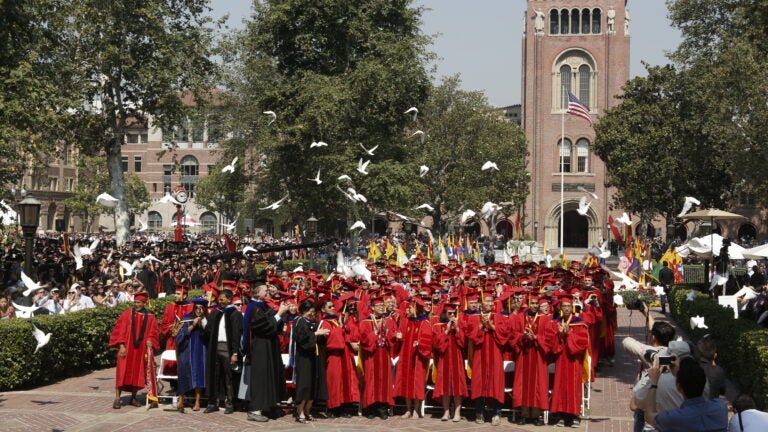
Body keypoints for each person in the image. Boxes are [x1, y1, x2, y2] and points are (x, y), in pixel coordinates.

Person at [241, 283, 290, 422]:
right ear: (257, 293)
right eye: (265, 289)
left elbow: (273, 324)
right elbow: (263, 327)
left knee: (269, 375)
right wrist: (279, 314)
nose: (268, 291)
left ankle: (268, 407)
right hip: (260, 347)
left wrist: (280, 314)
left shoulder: (262, 306)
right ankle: (255, 410)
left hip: (268, 346)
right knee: (261, 378)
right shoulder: (254, 307)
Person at [643, 357, 728, 432]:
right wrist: (679, 374)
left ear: (678, 386)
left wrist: (653, 381)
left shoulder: (674, 418)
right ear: (704, 382)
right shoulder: (720, 407)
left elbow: (649, 415)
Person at [108, 291, 160, 409]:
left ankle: (133, 397)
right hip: (126, 349)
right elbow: (120, 330)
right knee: (122, 372)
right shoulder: (127, 314)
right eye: (135, 302)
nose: (136, 305)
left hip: (141, 350)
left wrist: (150, 340)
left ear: (144, 303)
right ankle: (117, 398)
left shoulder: (150, 317)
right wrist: (121, 345)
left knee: (137, 373)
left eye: (139, 302)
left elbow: (153, 333)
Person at [548, 295, 589, 427]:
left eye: (568, 306)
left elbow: (583, 342)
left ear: (572, 308)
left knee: (573, 387)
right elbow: (552, 344)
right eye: (564, 306)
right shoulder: (556, 323)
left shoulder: (579, 323)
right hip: (561, 359)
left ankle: (574, 416)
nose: (566, 309)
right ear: (560, 308)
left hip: (574, 360)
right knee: (560, 386)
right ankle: (561, 415)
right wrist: (559, 334)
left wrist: (569, 334)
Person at [359, 295, 400, 419]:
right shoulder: (365, 322)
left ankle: (382, 408)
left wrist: (390, 336)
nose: (382, 307)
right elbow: (364, 340)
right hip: (371, 355)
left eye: (383, 305)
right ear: (372, 308)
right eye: (379, 306)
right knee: (371, 380)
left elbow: (392, 337)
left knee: (384, 381)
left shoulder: (388, 321)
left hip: (384, 354)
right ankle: (371, 408)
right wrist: (375, 333)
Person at [202, 288, 242, 414]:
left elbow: (236, 335)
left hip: (227, 349)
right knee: (214, 376)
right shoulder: (216, 313)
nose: (220, 300)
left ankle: (229, 403)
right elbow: (208, 330)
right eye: (219, 299)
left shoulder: (235, 314)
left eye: (222, 298)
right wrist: (202, 319)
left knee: (228, 377)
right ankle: (212, 403)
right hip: (215, 349)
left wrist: (235, 353)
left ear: (229, 299)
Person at [317, 298, 359, 418]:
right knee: (334, 382)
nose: (333, 308)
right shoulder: (324, 323)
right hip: (333, 355)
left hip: (344, 355)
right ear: (323, 310)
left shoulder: (337, 320)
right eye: (329, 307)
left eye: (333, 306)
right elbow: (332, 340)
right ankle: (332, 408)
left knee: (344, 381)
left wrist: (343, 326)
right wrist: (341, 328)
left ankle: (343, 407)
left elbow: (348, 335)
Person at [291, 299, 330, 423]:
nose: (311, 314)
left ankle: (307, 410)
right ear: (303, 310)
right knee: (305, 384)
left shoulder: (311, 322)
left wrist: (321, 335)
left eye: (313, 311)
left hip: (313, 357)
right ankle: (300, 412)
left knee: (313, 384)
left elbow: (313, 338)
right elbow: (302, 340)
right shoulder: (299, 321)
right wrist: (316, 333)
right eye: (309, 311)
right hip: (304, 358)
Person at [394, 297, 433, 419]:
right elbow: (401, 336)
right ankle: (408, 410)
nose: (408, 310)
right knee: (406, 383)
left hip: (418, 359)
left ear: (416, 309)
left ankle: (416, 410)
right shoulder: (407, 321)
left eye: (410, 308)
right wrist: (399, 338)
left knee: (417, 384)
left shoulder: (425, 323)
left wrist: (420, 344)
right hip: (406, 357)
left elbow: (428, 342)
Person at [431, 302, 467, 422]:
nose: (452, 315)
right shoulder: (438, 326)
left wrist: (457, 329)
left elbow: (463, 343)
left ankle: (457, 412)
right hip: (444, 359)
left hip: (457, 359)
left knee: (457, 388)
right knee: (445, 387)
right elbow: (437, 345)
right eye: (449, 313)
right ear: (444, 314)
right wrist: (446, 331)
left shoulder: (459, 325)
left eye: (453, 313)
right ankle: (446, 412)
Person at [175, 297, 209, 412]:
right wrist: (193, 325)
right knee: (184, 373)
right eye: (197, 308)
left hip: (201, 351)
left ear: (205, 309)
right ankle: (181, 399)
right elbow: (179, 336)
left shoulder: (207, 319)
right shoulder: (187, 318)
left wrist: (202, 325)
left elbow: (209, 336)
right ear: (193, 308)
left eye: (202, 308)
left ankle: (197, 401)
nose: (199, 310)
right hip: (187, 351)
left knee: (199, 374)